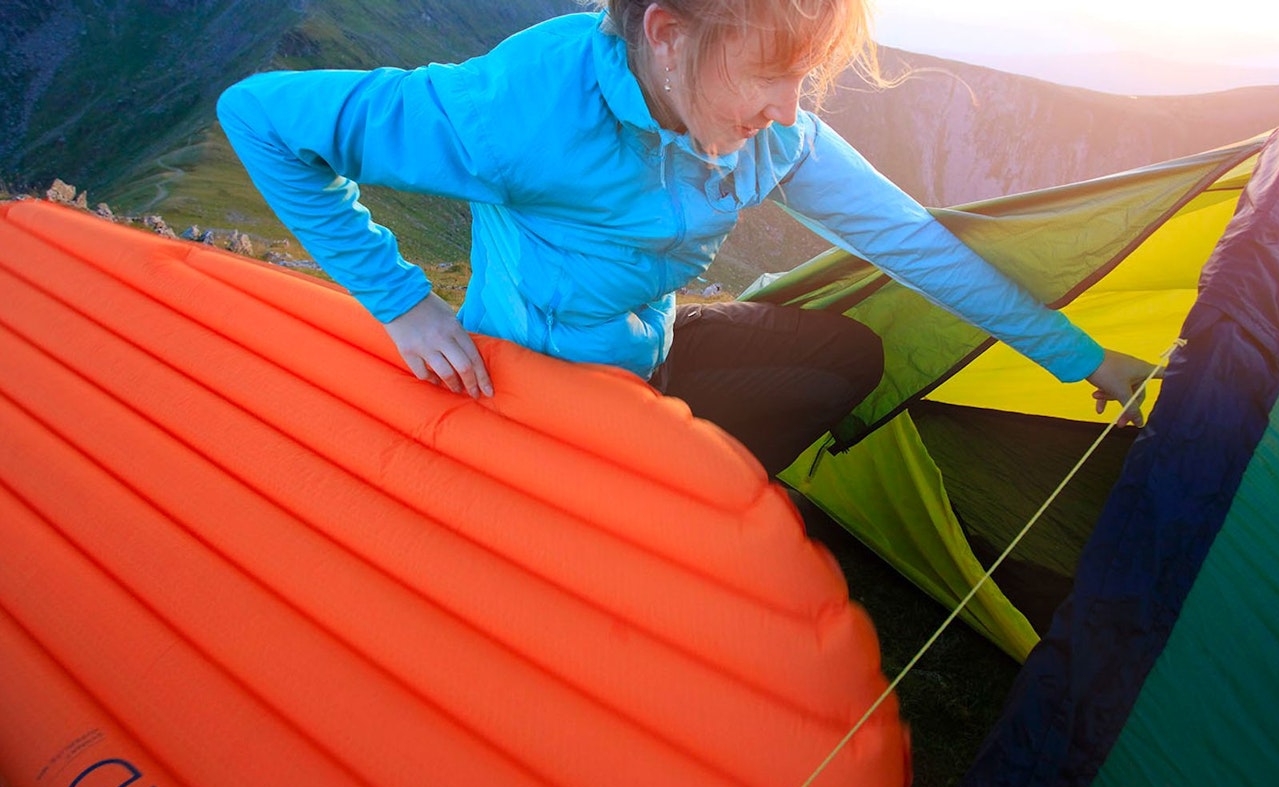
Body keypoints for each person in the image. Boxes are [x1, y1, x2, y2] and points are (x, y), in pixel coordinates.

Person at [217, 0, 1152, 476]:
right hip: (537, 386)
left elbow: (911, 242)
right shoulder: (517, 109)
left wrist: (1082, 357)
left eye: (809, 78)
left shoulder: (772, 132)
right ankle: (654, 508)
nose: (791, 113)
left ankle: (685, 486)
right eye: (774, 75)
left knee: (846, 353)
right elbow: (257, 115)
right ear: (667, 33)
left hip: (649, 347)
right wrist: (405, 305)